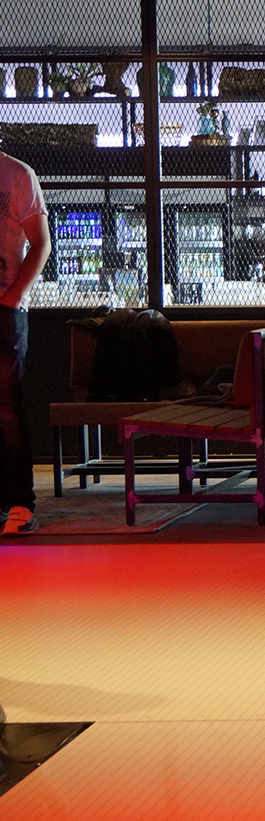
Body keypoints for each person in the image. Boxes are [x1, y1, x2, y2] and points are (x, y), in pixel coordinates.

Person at [1, 150, 49, 537]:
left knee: (7, 409)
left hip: (4, 309)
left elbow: (41, 243)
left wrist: (13, 297)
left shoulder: (17, 174)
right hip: (8, 305)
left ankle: (20, 503)